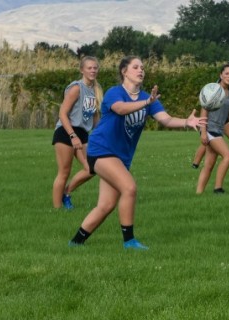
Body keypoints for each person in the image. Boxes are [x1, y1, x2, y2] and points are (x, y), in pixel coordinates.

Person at [69, 56, 207, 249]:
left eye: (142, 67)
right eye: (135, 67)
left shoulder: (146, 98)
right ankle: (129, 242)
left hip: (121, 156)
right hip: (101, 149)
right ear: (124, 72)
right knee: (129, 188)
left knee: (106, 205)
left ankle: (75, 243)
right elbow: (120, 108)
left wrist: (186, 122)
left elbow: (165, 120)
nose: (141, 70)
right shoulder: (115, 92)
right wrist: (146, 103)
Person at [52, 56, 103, 210]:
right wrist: (72, 136)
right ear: (82, 70)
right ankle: (56, 210)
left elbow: (95, 118)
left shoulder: (96, 90)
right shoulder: (76, 88)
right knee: (64, 172)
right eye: (89, 68)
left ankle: (66, 193)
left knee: (91, 168)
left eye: (95, 68)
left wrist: (105, 134)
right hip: (66, 131)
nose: (93, 70)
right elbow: (62, 113)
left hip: (82, 133)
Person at [191, 60, 229, 169]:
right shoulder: (219, 85)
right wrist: (203, 130)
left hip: (225, 119)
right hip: (215, 121)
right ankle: (195, 164)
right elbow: (212, 103)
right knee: (208, 143)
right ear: (222, 74)